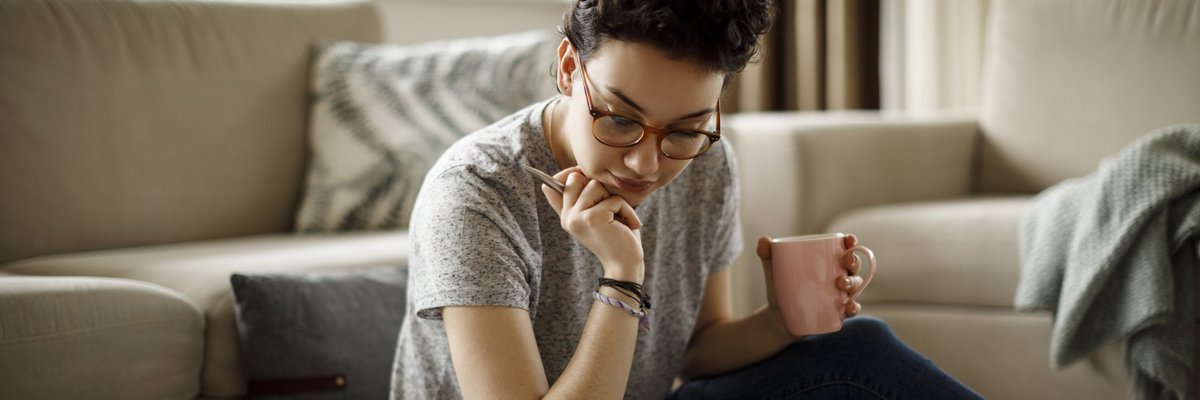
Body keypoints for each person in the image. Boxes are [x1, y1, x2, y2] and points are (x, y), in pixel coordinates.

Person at [391, 1, 984, 399]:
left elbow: (697, 350)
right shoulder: (477, 193)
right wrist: (622, 277)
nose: (647, 164)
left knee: (858, 349)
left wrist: (781, 322)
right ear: (570, 67)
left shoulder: (707, 163)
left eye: (684, 129)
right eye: (621, 120)